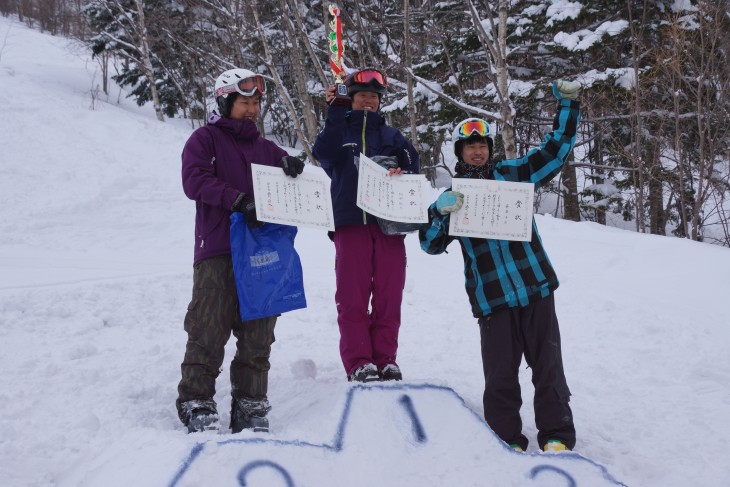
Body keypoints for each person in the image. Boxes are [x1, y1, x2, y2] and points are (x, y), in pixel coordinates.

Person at [419, 80, 582, 452]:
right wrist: (440, 213)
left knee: (548, 367)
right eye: (470, 146)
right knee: (500, 374)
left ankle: (556, 434)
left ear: (490, 149)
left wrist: (568, 106)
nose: (477, 151)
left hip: (534, 287)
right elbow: (429, 244)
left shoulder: (511, 174)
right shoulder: (453, 194)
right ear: (459, 152)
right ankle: (506, 436)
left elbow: (554, 154)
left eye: (482, 145)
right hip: (491, 299)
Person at [177, 68, 305, 434]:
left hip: (263, 252)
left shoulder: (266, 149)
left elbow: (293, 182)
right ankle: (196, 399)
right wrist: (236, 200)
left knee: (259, 332)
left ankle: (250, 401)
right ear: (225, 102)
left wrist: (293, 168)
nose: (251, 109)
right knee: (208, 326)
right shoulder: (204, 140)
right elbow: (194, 180)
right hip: (218, 249)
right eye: (244, 102)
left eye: (255, 103)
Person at [312, 68, 419, 382]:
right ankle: (359, 361)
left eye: (373, 97)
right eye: (361, 97)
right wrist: (336, 112)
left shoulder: (391, 136)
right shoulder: (339, 133)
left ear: (379, 101)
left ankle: (385, 359)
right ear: (352, 99)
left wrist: (403, 170)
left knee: (389, 295)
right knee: (353, 296)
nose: (367, 102)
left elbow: (412, 162)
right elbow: (322, 154)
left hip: (388, 226)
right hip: (350, 223)